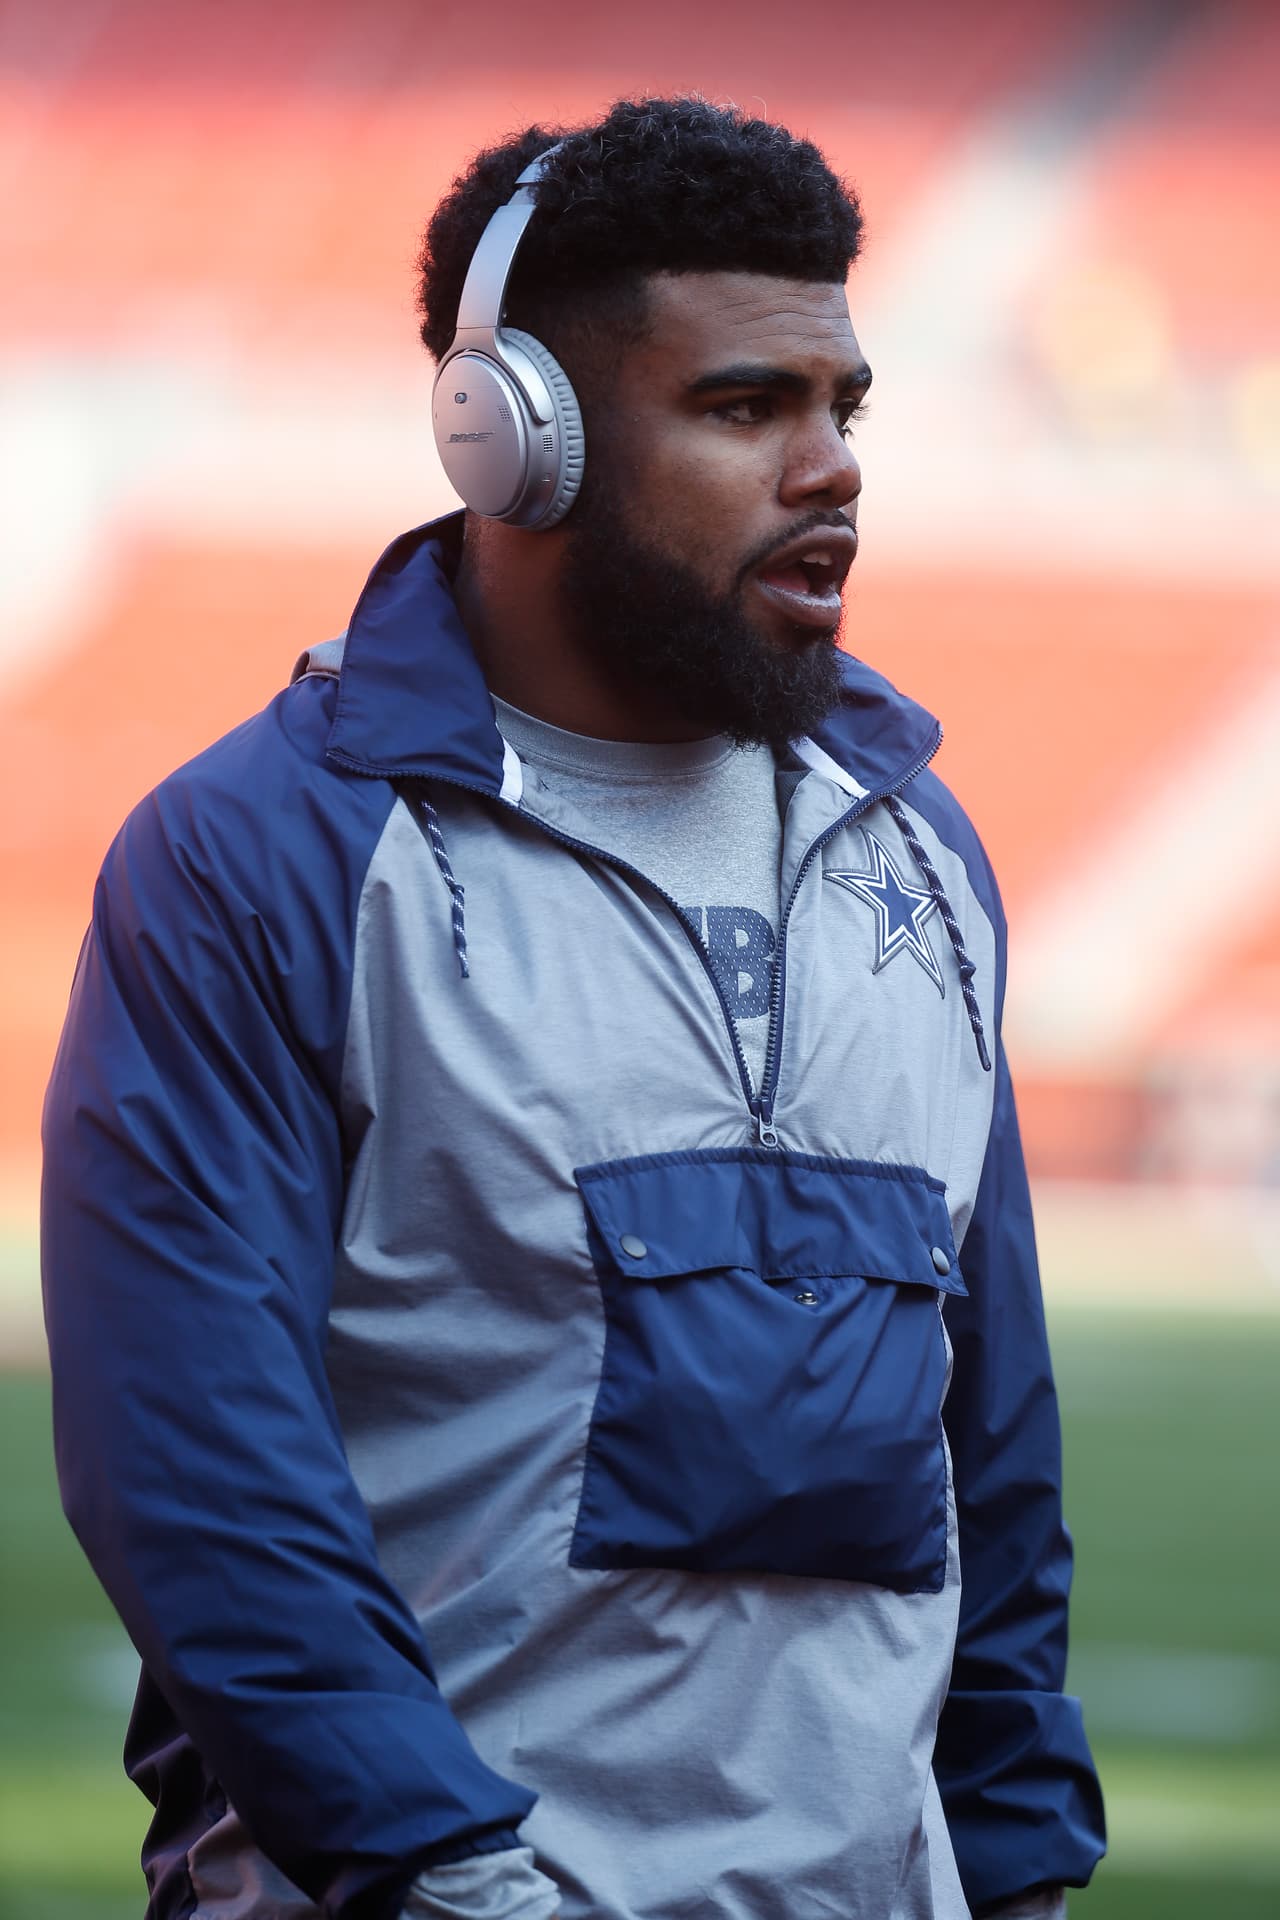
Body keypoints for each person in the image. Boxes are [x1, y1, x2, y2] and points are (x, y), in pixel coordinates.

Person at [42, 97, 1105, 1920]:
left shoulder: (920, 845)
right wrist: (451, 1877)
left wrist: (1011, 1866)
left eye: (842, 408)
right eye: (743, 407)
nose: (832, 467)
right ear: (510, 435)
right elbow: (201, 1471)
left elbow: (986, 1448)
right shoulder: (259, 856)